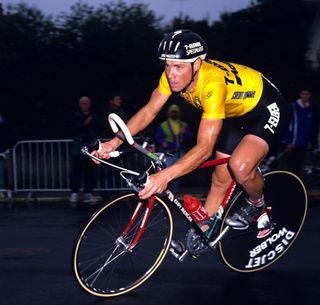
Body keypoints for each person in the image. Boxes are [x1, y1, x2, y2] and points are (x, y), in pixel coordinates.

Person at [94, 29, 288, 234]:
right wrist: (112, 143)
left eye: (178, 67)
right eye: (167, 65)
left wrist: (165, 176)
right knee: (220, 178)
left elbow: (205, 148)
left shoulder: (212, 84)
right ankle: (203, 232)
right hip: (235, 113)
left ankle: (257, 204)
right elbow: (149, 111)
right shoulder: (172, 76)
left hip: (267, 108)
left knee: (239, 167)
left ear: (196, 64)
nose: (171, 74)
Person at [69, 96, 101, 203]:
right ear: (80, 105)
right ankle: (74, 193)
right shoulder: (76, 116)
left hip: (90, 146)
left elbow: (98, 129)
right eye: (83, 103)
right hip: (78, 147)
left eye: (87, 103)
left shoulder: (94, 116)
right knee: (76, 171)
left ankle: (88, 193)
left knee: (90, 171)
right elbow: (73, 129)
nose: (85, 105)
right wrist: (84, 124)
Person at [155, 104, 192, 193]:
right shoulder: (164, 125)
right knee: (168, 172)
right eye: (172, 112)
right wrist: (162, 142)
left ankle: (174, 193)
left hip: (180, 152)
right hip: (169, 153)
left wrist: (184, 133)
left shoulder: (183, 125)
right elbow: (158, 136)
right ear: (169, 113)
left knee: (179, 174)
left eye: (176, 112)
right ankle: (167, 193)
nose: (174, 114)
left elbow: (189, 136)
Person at [283, 89, 318, 174]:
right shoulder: (292, 107)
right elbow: (287, 125)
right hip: (291, 144)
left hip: (303, 144)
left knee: (299, 167)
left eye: (307, 94)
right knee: (289, 168)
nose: (305, 96)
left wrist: (309, 141)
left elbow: (310, 127)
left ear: (310, 95)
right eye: (303, 94)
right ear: (300, 94)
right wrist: (288, 142)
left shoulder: (310, 108)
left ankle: (297, 186)